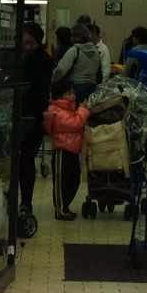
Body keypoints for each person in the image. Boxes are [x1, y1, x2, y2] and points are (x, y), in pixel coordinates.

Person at [17, 23, 54, 237]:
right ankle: (24, 202)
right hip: (33, 116)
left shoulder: (37, 61)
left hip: (30, 116)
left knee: (25, 159)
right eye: (24, 42)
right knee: (26, 159)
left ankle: (25, 202)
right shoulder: (44, 60)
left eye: (29, 42)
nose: (26, 46)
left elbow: (36, 90)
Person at [43, 80, 89, 221]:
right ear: (60, 95)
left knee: (74, 180)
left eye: (73, 93)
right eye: (69, 93)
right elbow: (75, 124)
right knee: (61, 182)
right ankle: (60, 210)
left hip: (74, 151)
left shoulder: (70, 109)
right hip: (62, 151)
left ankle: (65, 206)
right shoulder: (55, 111)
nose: (73, 96)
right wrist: (83, 110)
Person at [51, 20, 105, 101]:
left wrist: (53, 79)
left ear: (76, 37)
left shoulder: (75, 50)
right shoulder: (96, 51)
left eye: (72, 36)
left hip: (75, 90)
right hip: (91, 89)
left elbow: (61, 70)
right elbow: (99, 72)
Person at [123, 25, 147, 91]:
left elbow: (126, 71)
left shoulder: (135, 51)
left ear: (137, 39)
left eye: (133, 37)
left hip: (139, 85)